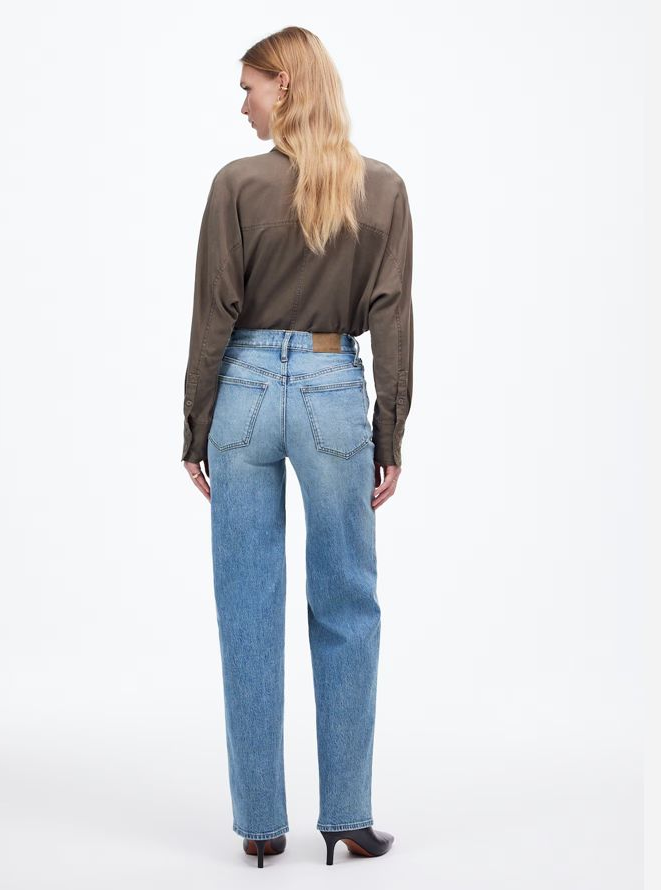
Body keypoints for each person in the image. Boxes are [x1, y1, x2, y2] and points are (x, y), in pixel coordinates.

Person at [181, 26, 413, 867]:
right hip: (331, 390)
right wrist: (390, 430)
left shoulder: (236, 185)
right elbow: (391, 315)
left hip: (243, 390)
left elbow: (215, 311)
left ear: (283, 85)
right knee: (347, 599)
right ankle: (346, 815)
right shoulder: (381, 188)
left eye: (249, 87)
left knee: (247, 601)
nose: (242, 104)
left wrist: (196, 424)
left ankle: (260, 823)